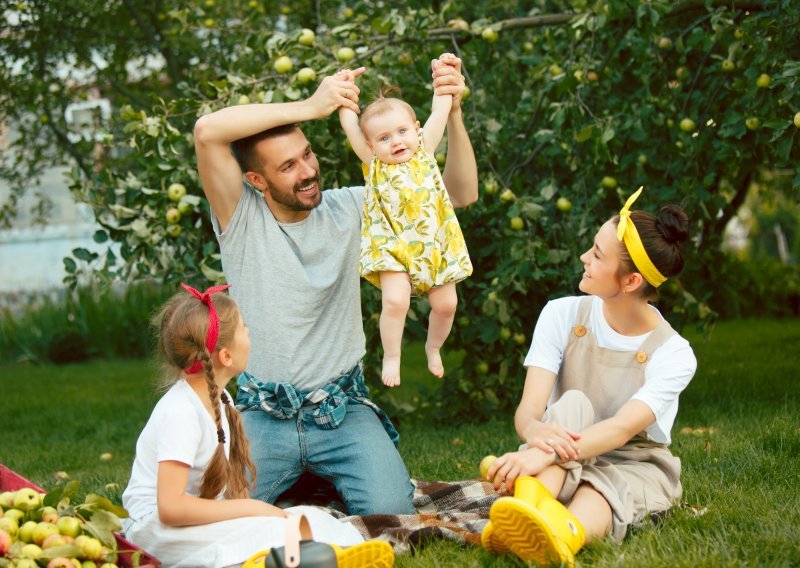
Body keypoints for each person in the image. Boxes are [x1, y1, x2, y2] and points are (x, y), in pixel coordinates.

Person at [192, 54, 477, 515]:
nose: (307, 171)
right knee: (218, 518)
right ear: (255, 180)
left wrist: (455, 113)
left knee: (392, 513)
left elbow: (458, 193)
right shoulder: (239, 217)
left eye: (307, 154)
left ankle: (315, 483)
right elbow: (207, 130)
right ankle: (304, 486)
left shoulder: (355, 207)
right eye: (288, 167)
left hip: (342, 410)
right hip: (264, 417)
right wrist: (311, 105)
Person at [480, 188, 697, 566]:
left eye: (597, 254)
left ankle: (560, 532)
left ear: (630, 282)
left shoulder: (674, 353)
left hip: (633, 461)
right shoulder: (561, 315)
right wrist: (535, 437)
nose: (585, 257)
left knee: (602, 487)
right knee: (573, 404)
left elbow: (619, 431)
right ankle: (529, 507)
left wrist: (538, 455)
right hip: (561, 443)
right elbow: (528, 413)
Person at [121, 284, 394, 568]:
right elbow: (170, 509)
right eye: (243, 328)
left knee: (306, 517)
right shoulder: (180, 412)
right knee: (269, 528)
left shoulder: (219, 398)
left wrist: (251, 511)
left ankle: (337, 552)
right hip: (155, 533)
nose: (249, 333)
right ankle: (286, 559)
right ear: (225, 356)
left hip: (190, 522)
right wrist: (251, 509)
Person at [337, 54, 473, 388]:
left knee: (447, 304)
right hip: (394, 247)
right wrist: (344, 91)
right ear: (371, 145)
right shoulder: (374, 163)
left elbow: (440, 106)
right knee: (395, 300)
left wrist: (444, 73)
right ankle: (393, 356)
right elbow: (349, 124)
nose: (395, 141)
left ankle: (433, 346)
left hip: (436, 245)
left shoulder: (425, 149)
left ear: (416, 130)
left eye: (401, 132)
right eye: (384, 138)